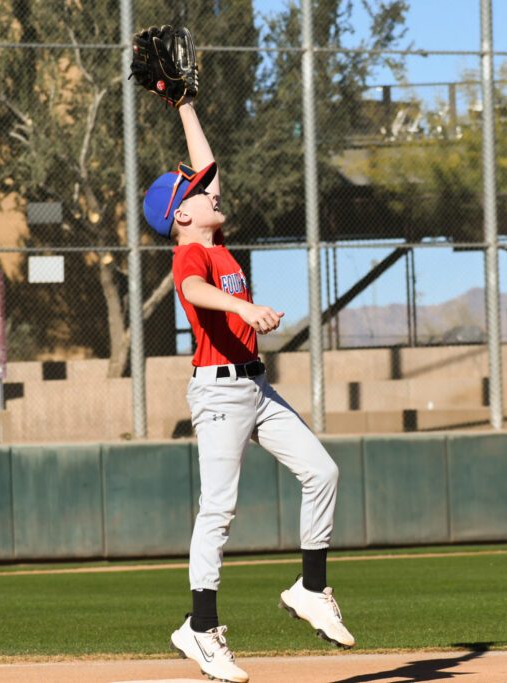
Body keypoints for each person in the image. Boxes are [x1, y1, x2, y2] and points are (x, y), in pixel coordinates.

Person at [141, 99, 355, 683]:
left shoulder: (212, 237)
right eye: (197, 190)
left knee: (323, 472)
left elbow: (206, 163)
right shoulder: (191, 250)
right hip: (218, 395)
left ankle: (311, 588)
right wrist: (243, 305)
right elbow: (192, 289)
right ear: (180, 214)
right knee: (219, 509)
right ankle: (200, 629)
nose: (210, 188)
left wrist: (183, 103)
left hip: (256, 388)